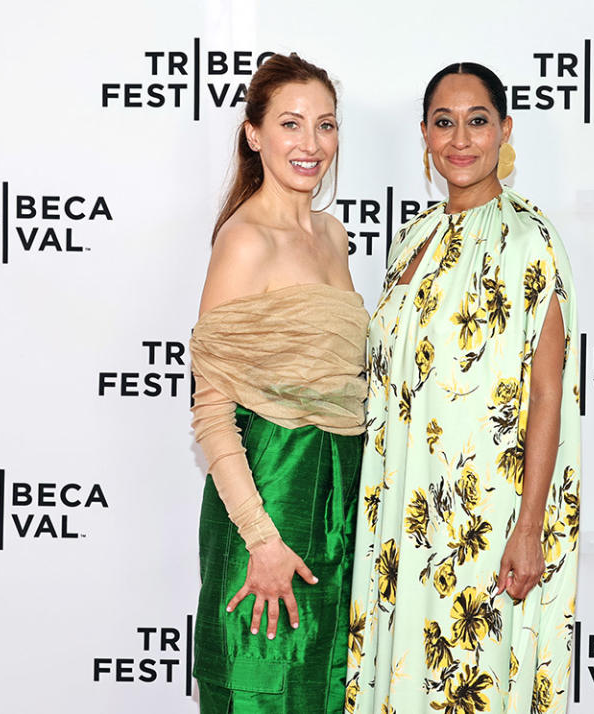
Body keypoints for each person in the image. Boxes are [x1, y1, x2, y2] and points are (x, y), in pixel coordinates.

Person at [346, 62, 580, 714]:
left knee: (468, 688)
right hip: (403, 518)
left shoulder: (530, 241)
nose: (460, 138)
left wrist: (529, 526)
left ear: (505, 129)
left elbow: (547, 393)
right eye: (444, 123)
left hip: (483, 523)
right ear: (424, 134)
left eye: (477, 121)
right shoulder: (411, 238)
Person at [189, 53, 368, 714]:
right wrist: (260, 538)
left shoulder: (332, 234)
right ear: (253, 134)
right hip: (270, 494)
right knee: (260, 692)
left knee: (324, 693)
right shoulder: (244, 242)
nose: (311, 144)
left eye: (325, 125)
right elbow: (211, 411)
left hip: (337, 500)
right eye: (291, 124)